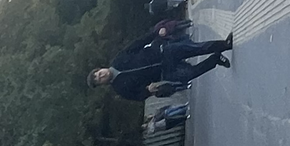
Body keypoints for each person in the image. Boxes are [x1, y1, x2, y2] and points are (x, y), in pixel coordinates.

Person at [88, 21, 232, 100]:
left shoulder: (119, 59)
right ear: (102, 84)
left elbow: (138, 43)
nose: (101, 76)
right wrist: (148, 91)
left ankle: (225, 44)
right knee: (190, 73)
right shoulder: (120, 88)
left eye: (99, 73)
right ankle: (215, 59)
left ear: (101, 68)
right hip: (164, 73)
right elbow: (137, 96)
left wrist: (155, 33)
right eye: (99, 79)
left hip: (163, 52)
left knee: (196, 48)